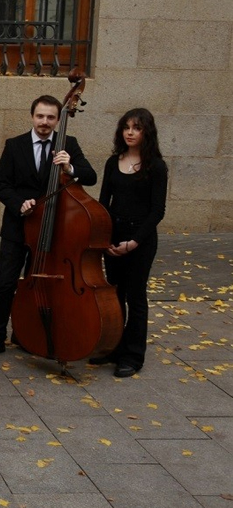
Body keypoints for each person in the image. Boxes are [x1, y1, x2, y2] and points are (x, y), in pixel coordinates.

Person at [0, 95, 97, 361]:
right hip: (19, 228)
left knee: (41, 283)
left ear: (58, 120)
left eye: (50, 117)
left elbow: (91, 175)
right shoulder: (15, 145)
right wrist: (19, 203)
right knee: (6, 282)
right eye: (40, 116)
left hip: (53, 232)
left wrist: (70, 166)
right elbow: (2, 184)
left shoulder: (68, 144)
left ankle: (27, 333)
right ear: (32, 116)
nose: (44, 122)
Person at [93, 108, 167, 378]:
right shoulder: (113, 162)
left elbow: (157, 211)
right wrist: (104, 239)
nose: (130, 132)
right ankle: (114, 347)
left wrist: (134, 242)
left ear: (147, 132)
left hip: (140, 239)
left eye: (136, 128)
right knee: (115, 295)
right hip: (114, 237)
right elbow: (103, 204)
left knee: (135, 296)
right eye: (126, 127)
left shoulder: (156, 166)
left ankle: (133, 356)